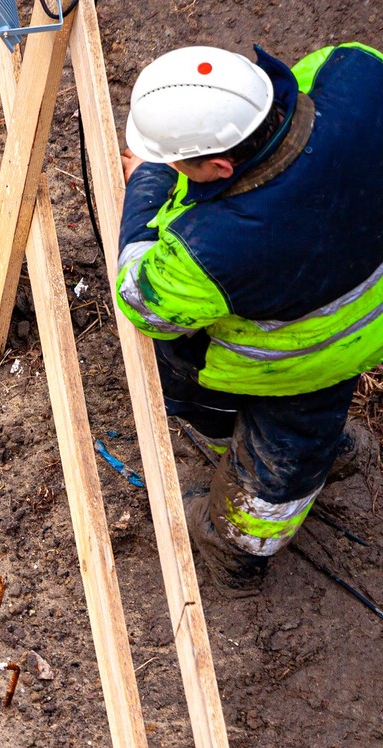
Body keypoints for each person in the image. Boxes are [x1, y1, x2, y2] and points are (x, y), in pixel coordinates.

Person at [116, 42, 383, 595]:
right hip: (367, 321)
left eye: (178, 163)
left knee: (274, 477)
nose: (170, 169)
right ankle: (329, 454)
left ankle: (234, 552)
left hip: (288, 364)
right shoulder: (358, 71)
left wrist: (147, 185)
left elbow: (145, 304)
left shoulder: (211, 248)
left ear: (219, 166)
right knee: (311, 434)